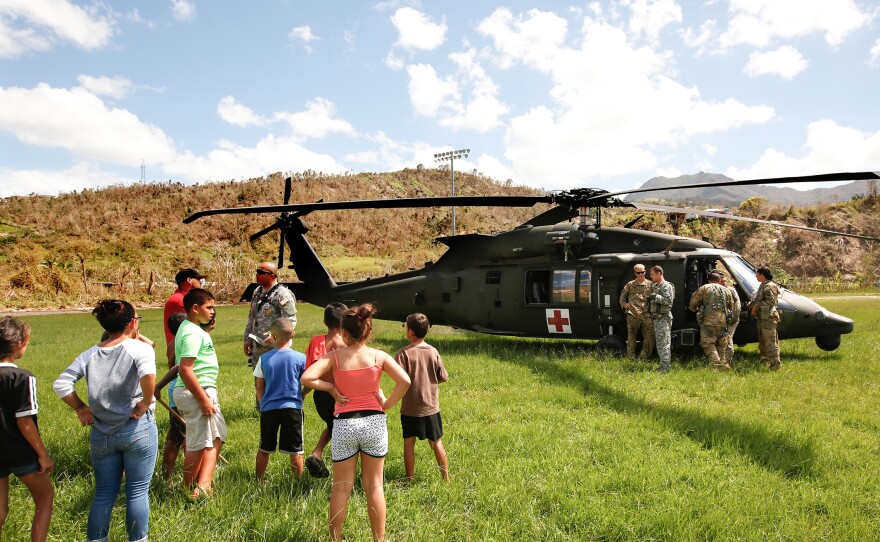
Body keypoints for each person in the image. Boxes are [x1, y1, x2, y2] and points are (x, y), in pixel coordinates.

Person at [301, 304, 411, 542]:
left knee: (341, 487)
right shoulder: (378, 356)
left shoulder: (334, 357)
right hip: (374, 423)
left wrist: (330, 387)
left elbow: (307, 377)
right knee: (374, 486)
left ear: (343, 332)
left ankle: (335, 539)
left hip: (344, 425)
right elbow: (405, 381)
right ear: (367, 329)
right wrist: (387, 402)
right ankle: (379, 539)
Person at [53, 300, 157, 542]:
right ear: (133, 323)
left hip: (101, 431)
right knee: (137, 492)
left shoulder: (89, 354)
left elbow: (61, 384)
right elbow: (148, 375)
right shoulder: (139, 349)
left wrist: (80, 408)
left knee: (103, 494)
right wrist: (145, 401)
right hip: (136, 428)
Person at [0, 317, 54, 542]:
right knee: (44, 498)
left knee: (0, 511)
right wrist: (43, 454)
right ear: (20, 343)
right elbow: (25, 422)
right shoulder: (22, 377)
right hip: (21, 451)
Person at [173, 288, 226, 498]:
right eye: (209, 307)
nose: (213, 312)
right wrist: (203, 399)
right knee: (197, 442)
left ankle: (204, 484)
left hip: (201, 391)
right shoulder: (192, 333)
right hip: (197, 392)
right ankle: (188, 489)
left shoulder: (193, 330)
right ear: (195, 308)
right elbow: (185, 369)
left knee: (216, 435)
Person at [396, 313, 449, 482]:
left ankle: (409, 478)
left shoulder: (403, 354)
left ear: (410, 332)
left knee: (409, 442)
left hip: (410, 409)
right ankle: (446, 479)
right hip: (431, 407)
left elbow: (399, 379)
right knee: (436, 442)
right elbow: (444, 377)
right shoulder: (433, 351)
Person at [254, 318, 307, 482]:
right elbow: (309, 380)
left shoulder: (264, 359)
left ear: (273, 336)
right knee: (296, 450)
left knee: (264, 448)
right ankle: (297, 482)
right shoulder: (301, 358)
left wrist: (263, 403)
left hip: (269, 409)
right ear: (293, 335)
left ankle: (259, 480)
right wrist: (303, 393)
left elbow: (259, 386)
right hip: (293, 408)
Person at [303, 302, 348, 479]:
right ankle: (340, 471)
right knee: (339, 429)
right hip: (340, 394)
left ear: (324, 322)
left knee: (333, 425)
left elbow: (310, 372)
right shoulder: (345, 343)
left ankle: (317, 454)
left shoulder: (316, 341)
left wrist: (303, 392)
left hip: (319, 395)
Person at [244, 262, 297, 368]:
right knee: (259, 382)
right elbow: (251, 318)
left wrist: (274, 335)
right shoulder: (257, 292)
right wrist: (247, 339)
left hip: (276, 347)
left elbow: (290, 320)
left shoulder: (283, 294)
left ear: (272, 276)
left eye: (261, 272)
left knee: (275, 381)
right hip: (258, 347)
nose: (257, 275)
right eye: (257, 272)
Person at [156, 311, 187, 481]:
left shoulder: (172, 343)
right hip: (183, 391)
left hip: (173, 392)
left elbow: (170, 365)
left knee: (175, 435)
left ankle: (166, 476)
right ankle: (190, 476)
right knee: (187, 437)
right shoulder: (185, 341)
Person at [688, 271, 735, 370]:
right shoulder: (727, 291)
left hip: (709, 321)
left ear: (709, 280)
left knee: (708, 344)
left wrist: (694, 309)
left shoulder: (705, 288)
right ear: (719, 280)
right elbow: (731, 305)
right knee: (721, 345)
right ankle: (723, 364)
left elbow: (693, 303)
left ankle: (717, 364)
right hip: (723, 321)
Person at [619, 263, 654, 359]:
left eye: (642, 272)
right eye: (638, 273)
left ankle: (643, 357)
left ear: (645, 272)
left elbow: (655, 298)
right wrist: (624, 304)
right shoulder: (630, 285)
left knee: (650, 337)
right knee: (631, 337)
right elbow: (622, 297)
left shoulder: (650, 284)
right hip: (633, 314)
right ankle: (631, 357)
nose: (641, 274)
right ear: (635, 273)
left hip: (646, 315)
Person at [750, 266, 781, 371]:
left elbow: (771, 301)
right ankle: (765, 361)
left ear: (762, 275)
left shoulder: (769, 286)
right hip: (762, 318)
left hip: (768, 318)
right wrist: (753, 303)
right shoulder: (763, 286)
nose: (756, 276)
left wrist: (756, 306)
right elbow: (760, 299)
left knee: (770, 342)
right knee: (763, 342)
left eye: (757, 274)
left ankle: (775, 366)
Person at [163, 268, 206, 344]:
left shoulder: (179, 298)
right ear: (189, 280)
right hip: (184, 347)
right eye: (198, 279)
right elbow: (198, 325)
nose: (200, 282)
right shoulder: (181, 300)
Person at [648, 265, 675, 373]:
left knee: (663, 344)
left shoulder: (666, 286)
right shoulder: (656, 286)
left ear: (659, 273)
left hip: (663, 318)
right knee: (660, 344)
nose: (651, 277)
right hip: (657, 318)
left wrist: (655, 297)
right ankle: (664, 366)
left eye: (652, 274)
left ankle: (665, 369)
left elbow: (668, 301)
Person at [719, 274, 741, 364]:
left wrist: (732, 319)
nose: (723, 282)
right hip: (722, 319)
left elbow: (737, 307)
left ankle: (727, 360)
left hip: (731, 320)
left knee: (728, 338)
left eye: (724, 281)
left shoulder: (730, 290)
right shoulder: (718, 290)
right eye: (721, 281)